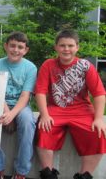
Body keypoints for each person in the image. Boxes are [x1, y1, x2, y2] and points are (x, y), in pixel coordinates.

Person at [35, 29, 106, 179]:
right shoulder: (48, 65)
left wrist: (99, 118)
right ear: (56, 47)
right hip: (56, 109)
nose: (66, 49)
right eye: (62, 45)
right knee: (44, 129)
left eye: (70, 45)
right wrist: (45, 115)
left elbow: (99, 94)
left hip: (83, 110)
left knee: (98, 133)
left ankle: (84, 175)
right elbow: (40, 92)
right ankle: (48, 172)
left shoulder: (86, 66)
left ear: (77, 47)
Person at [0, 32, 37, 179]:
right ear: (5, 46)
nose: (16, 50)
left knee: (28, 122)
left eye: (20, 47)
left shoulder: (31, 68)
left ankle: (21, 171)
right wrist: (6, 112)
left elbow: (25, 96)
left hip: (20, 106)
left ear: (26, 50)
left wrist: (12, 114)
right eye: (12, 46)